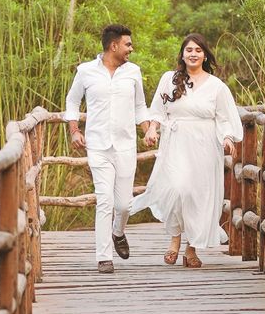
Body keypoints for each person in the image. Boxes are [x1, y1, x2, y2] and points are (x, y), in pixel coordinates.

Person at [132, 33, 243, 268]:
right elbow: (158, 110)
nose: (193, 54)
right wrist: (153, 129)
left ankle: (191, 249)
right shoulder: (169, 79)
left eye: (198, 50)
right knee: (177, 189)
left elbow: (224, 118)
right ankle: (174, 240)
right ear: (182, 54)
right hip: (176, 142)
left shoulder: (216, 86)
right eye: (189, 50)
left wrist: (227, 137)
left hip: (204, 146)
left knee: (197, 195)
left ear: (205, 56)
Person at [64, 25, 151, 273]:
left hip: (125, 146)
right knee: (104, 200)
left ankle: (118, 232)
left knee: (124, 205)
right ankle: (103, 257)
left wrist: (147, 129)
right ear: (114, 46)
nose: (131, 49)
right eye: (128, 45)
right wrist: (74, 130)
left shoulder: (133, 72)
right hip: (98, 146)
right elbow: (72, 100)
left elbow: (140, 106)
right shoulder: (85, 71)